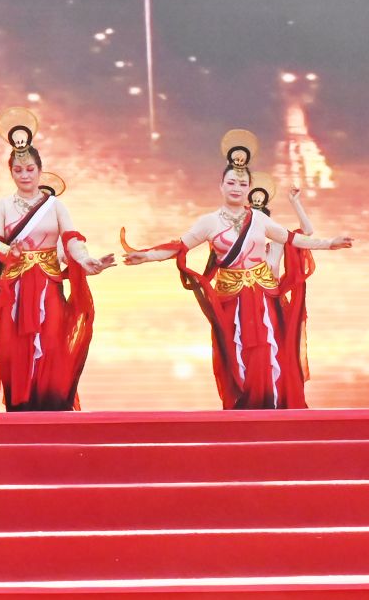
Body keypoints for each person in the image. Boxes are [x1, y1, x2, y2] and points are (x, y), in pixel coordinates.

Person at [123, 131, 354, 410]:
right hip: (231, 297)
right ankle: (245, 410)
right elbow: (179, 246)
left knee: (268, 348)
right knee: (237, 351)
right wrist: (147, 256)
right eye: (231, 182)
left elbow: (293, 239)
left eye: (242, 183)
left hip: (263, 294)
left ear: (249, 189)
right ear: (221, 186)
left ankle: (273, 406)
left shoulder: (259, 219)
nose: (236, 187)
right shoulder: (208, 222)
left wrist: (329, 243)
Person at [0, 108, 113, 412]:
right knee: (12, 348)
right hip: (14, 289)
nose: (25, 175)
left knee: (52, 343)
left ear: (40, 171)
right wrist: (5, 253)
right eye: (18, 170)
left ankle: (52, 409)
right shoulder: (2, 206)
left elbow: (71, 239)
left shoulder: (55, 206)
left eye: (30, 169)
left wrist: (86, 261)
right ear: (11, 173)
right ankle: (19, 410)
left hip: (47, 286)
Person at [252, 185, 318, 409]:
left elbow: (307, 232)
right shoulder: (240, 247)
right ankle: (256, 403)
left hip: (274, 306)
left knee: (279, 354)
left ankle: (280, 401)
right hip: (249, 306)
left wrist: (295, 202)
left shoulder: (279, 243)